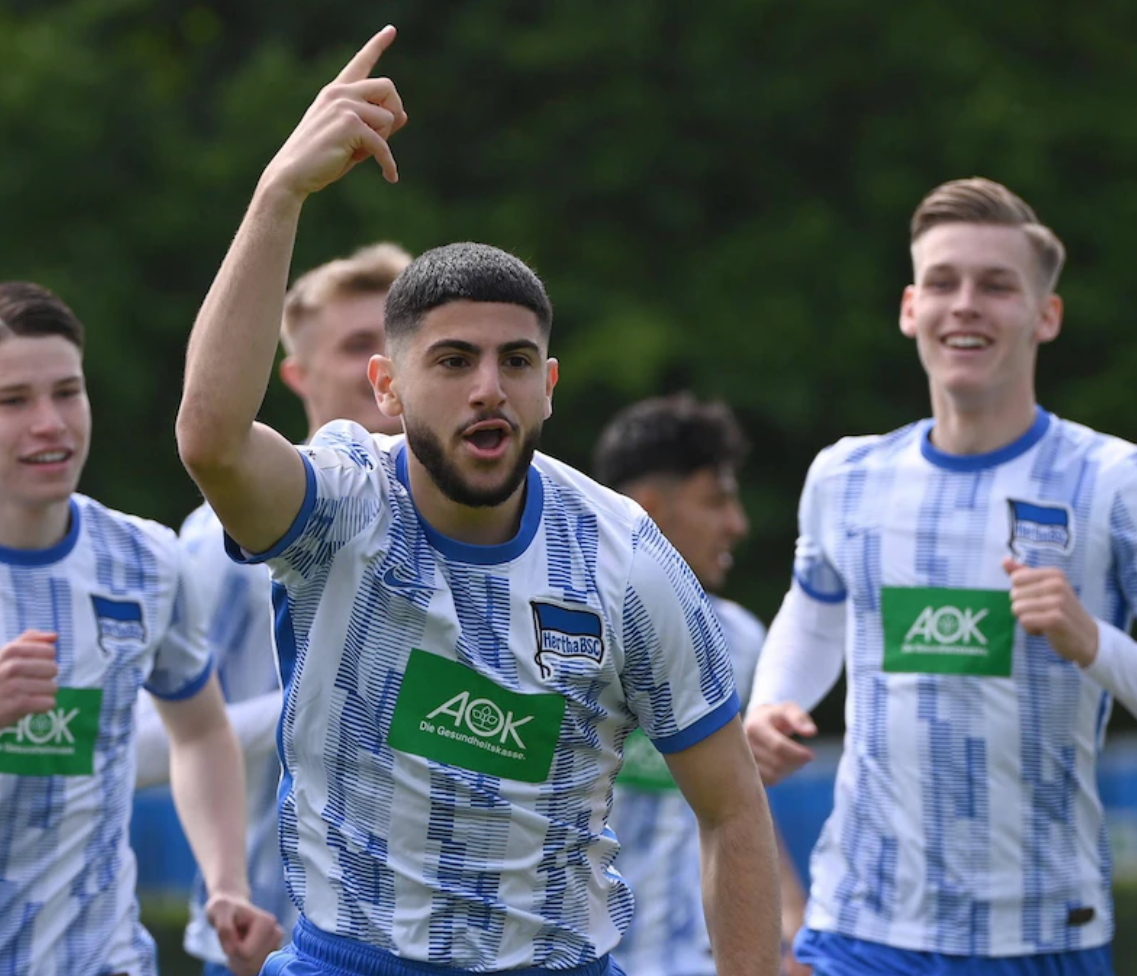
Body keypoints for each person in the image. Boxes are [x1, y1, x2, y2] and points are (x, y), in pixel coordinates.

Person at [174, 26, 780, 976]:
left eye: (515, 362)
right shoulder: (341, 503)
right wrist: (278, 192)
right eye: (452, 362)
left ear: (549, 386)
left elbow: (734, 810)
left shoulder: (624, 555)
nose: (487, 387)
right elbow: (209, 440)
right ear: (388, 386)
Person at [746, 177, 1137, 976]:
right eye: (945, 282)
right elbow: (815, 615)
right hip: (859, 925)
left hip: (1041, 935)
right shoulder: (846, 475)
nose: (967, 305)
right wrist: (772, 704)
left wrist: (1094, 643)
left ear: (1045, 316)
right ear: (909, 308)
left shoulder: (1121, 484)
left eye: (997, 286)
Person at [0, 281, 280, 976]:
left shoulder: (147, 559)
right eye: (14, 401)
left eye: (67, 393)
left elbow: (200, 730)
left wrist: (226, 881)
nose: (51, 423)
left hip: (101, 959)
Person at [132, 241, 412, 976]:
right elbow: (136, 746)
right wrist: (335, 704)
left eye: (397, 342)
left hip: (430, 946)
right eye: (357, 345)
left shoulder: (487, 532)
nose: (379, 365)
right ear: (295, 372)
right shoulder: (219, 543)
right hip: (260, 939)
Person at [591, 393, 809, 976]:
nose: (737, 524)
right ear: (648, 507)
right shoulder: (561, 625)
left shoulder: (737, 638)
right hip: (574, 956)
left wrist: (790, 914)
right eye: (716, 501)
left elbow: (738, 807)